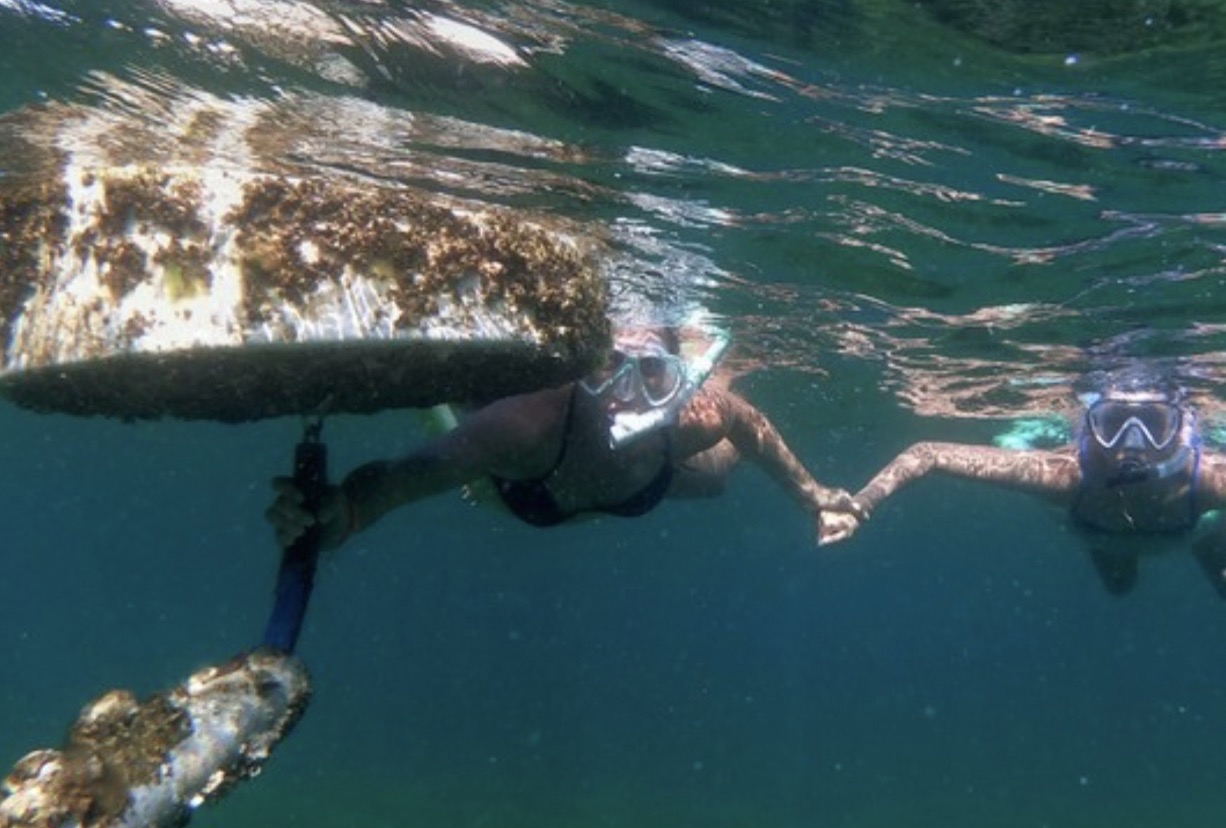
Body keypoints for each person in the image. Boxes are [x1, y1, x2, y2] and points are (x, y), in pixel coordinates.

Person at [268, 325, 862, 550]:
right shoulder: (523, 428)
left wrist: (813, 495)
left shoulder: (692, 419)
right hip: (520, 487)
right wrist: (338, 515)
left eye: (654, 375)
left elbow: (748, 427)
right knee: (453, 419)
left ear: (678, 376)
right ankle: (444, 382)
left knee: (717, 482)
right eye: (611, 371)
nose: (631, 400)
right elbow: (401, 481)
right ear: (585, 368)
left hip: (641, 485)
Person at [821, 368, 1226, 597]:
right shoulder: (1065, 476)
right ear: (1091, 427)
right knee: (1120, 588)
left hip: (1189, 525)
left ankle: (1206, 542)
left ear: (1183, 432)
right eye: (1112, 425)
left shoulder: (1208, 479)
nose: (1129, 446)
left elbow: (929, 453)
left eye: (1155, 426)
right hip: (1097, 533)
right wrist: (862, 505)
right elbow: (929, 452)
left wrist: (862, 504)